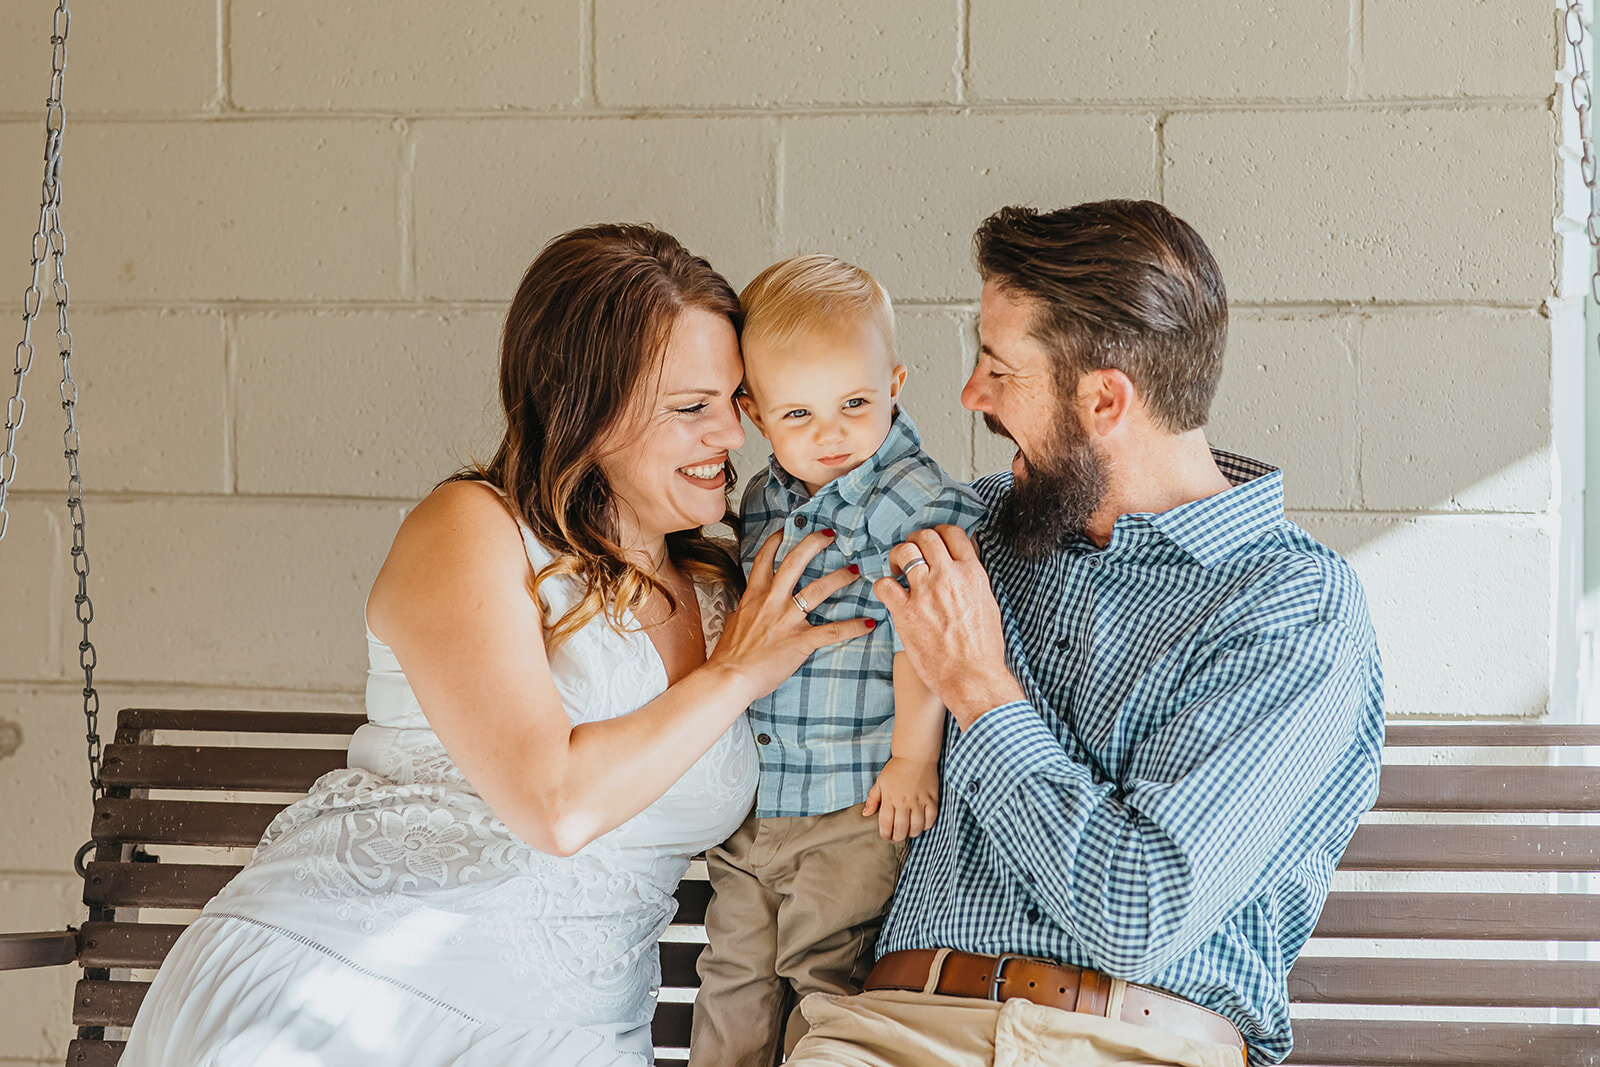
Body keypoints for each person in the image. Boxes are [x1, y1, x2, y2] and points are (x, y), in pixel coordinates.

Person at [121, 223, 874, 1067]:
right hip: (352, 990)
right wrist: (735, 672)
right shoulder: (474, 529)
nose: (733, 436)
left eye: (736, 401)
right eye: (692, 407)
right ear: (589, 410)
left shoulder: (729, 591)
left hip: (574, 1037)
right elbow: (553, 803)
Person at [783, 201, 1386, 1067]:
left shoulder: (1292, 606)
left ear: (1105, 399)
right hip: (888, 1030)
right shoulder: (975, 529)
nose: (972, 396)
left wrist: (978, 687)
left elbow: (1137, 910)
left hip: (1126, 1043)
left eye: (1000, 369)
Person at [689, 255, 986, 1065]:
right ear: (754, 414)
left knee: (823, 977)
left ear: (894, 384)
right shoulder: (764, 497)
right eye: (799, 414)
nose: (831, 434)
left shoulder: (913, 501)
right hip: (760, 806)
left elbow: (923, 634)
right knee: (733, 975)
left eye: (855, 403)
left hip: (853, 806)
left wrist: (913, 756)